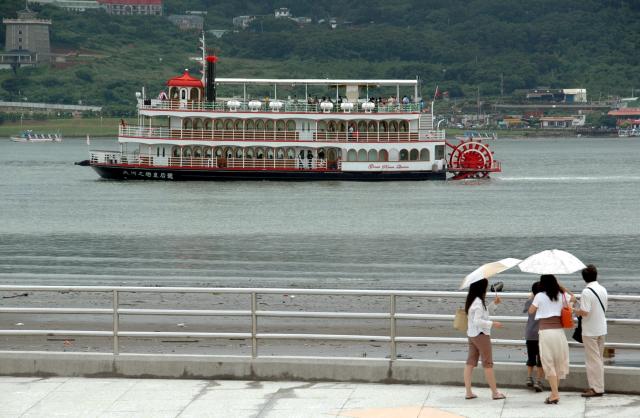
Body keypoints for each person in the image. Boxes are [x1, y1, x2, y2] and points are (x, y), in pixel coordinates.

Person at [529, 274, 574, 404]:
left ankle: (555, 394)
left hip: (546, 333)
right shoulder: (561, 295)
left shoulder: (539, 296)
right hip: (559, 332)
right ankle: (554, 393)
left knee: (548, 363)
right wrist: (562, 287)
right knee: (558, 362)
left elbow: (531, 311)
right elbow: (574, 298)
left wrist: (534, 298)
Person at [463, 278, 506, 401]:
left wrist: (494, 304)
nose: (487, 289)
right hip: (481, 335)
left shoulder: (473, 300)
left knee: (470, 362)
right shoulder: (478, 303)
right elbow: (478, 321)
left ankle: (468, 392)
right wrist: (493, 324)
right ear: (481, 288)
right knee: (488, 364)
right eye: (486, 287)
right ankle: (495, 393)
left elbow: (483, 314)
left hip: (472, 335)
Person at [575, 264, 608, 397]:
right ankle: (597, 386)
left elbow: (585, 312)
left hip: (590, 330)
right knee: (598, 359)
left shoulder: (586, 292)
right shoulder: (602, 289)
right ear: (596, 275)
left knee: (593, 360)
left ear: (584, 278)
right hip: (601, 328)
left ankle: (596, 388)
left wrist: (574, 310)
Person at [523, 281, 544, 392]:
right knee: (541, 359)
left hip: (530, 333)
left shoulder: (530, 301)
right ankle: (538, 381)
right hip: (541, 334)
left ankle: (529, 377)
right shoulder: (544, 302)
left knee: (531, 357)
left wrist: (532, 296)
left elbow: (525, 309)